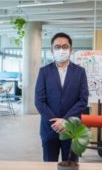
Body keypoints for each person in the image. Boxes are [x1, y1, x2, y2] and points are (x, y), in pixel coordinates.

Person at [35, 32, 89, 162]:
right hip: (49, 128)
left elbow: (83, 100)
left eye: (65, 47)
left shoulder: (80, 72)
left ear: (70, 49)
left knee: (71, 165)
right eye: (57, 47)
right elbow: (39, 101)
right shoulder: (44, 72)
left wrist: (65, 121)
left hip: (72, 128)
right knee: (49, 165)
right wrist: (56, 122)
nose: (61, 50)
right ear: (52, 50)